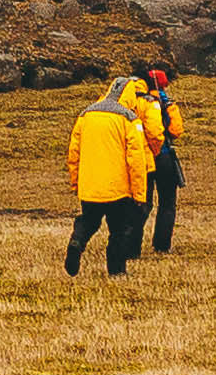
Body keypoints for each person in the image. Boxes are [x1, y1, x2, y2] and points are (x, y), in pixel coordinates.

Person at [65, 83, 154, 277]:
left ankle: (77, 241)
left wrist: (76, 182)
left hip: (90, 185)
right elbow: (136, 161)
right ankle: (117, 270)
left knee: (88, 221)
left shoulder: (86, 115)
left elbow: (74, 153)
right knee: (119, 230)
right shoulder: (129, 119)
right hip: (118, 189)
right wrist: (140, 195)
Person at [136, 65, 188, 253]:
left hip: (142, 158)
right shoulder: (166, 102)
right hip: (164, 156)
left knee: (143, 203)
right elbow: (176, 131)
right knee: (167, 202)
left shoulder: (135, 101)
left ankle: (132, 243)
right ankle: (162, 246)